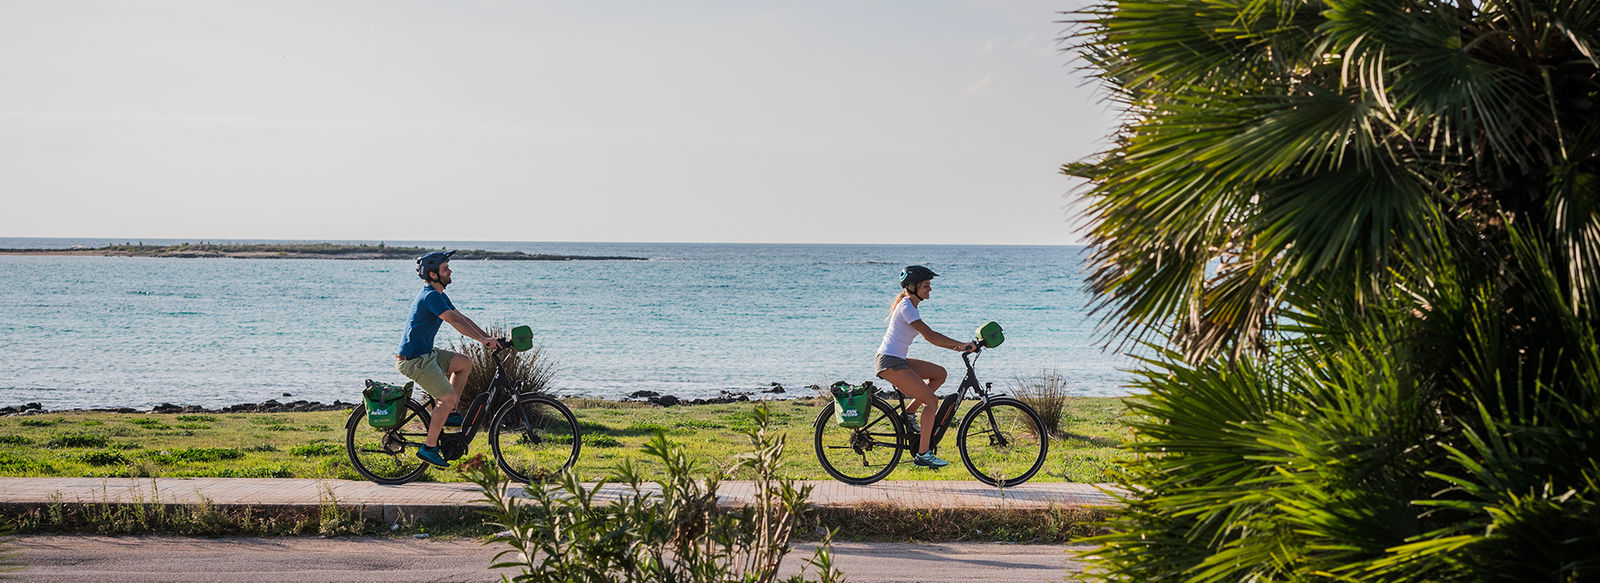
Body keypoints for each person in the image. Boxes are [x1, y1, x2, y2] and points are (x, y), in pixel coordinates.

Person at [395, 250, 503, 468]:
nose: (450, 271)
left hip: (426, 354)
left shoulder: (439, 295)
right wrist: (482, 340)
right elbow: (454, 321)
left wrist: (487, 337)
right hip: (414, 360)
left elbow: (462, 317)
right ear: (433, 275)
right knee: (447, 397)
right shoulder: (430, 296)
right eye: (445, 269)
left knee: (464, 363)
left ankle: (451, 413)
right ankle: (429, 447)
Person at [874, 265, 976, 468]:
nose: (930, 289)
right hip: (889, 362)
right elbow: (930, 336)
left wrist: (959, 346)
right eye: (926, 285)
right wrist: (960, 345)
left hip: (897, 360)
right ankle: (923, 453)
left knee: (939, 374)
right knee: (930, 402)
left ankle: (909, 413)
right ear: (912, 287)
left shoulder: (909, 306)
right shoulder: (906, 307)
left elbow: (931, 336)